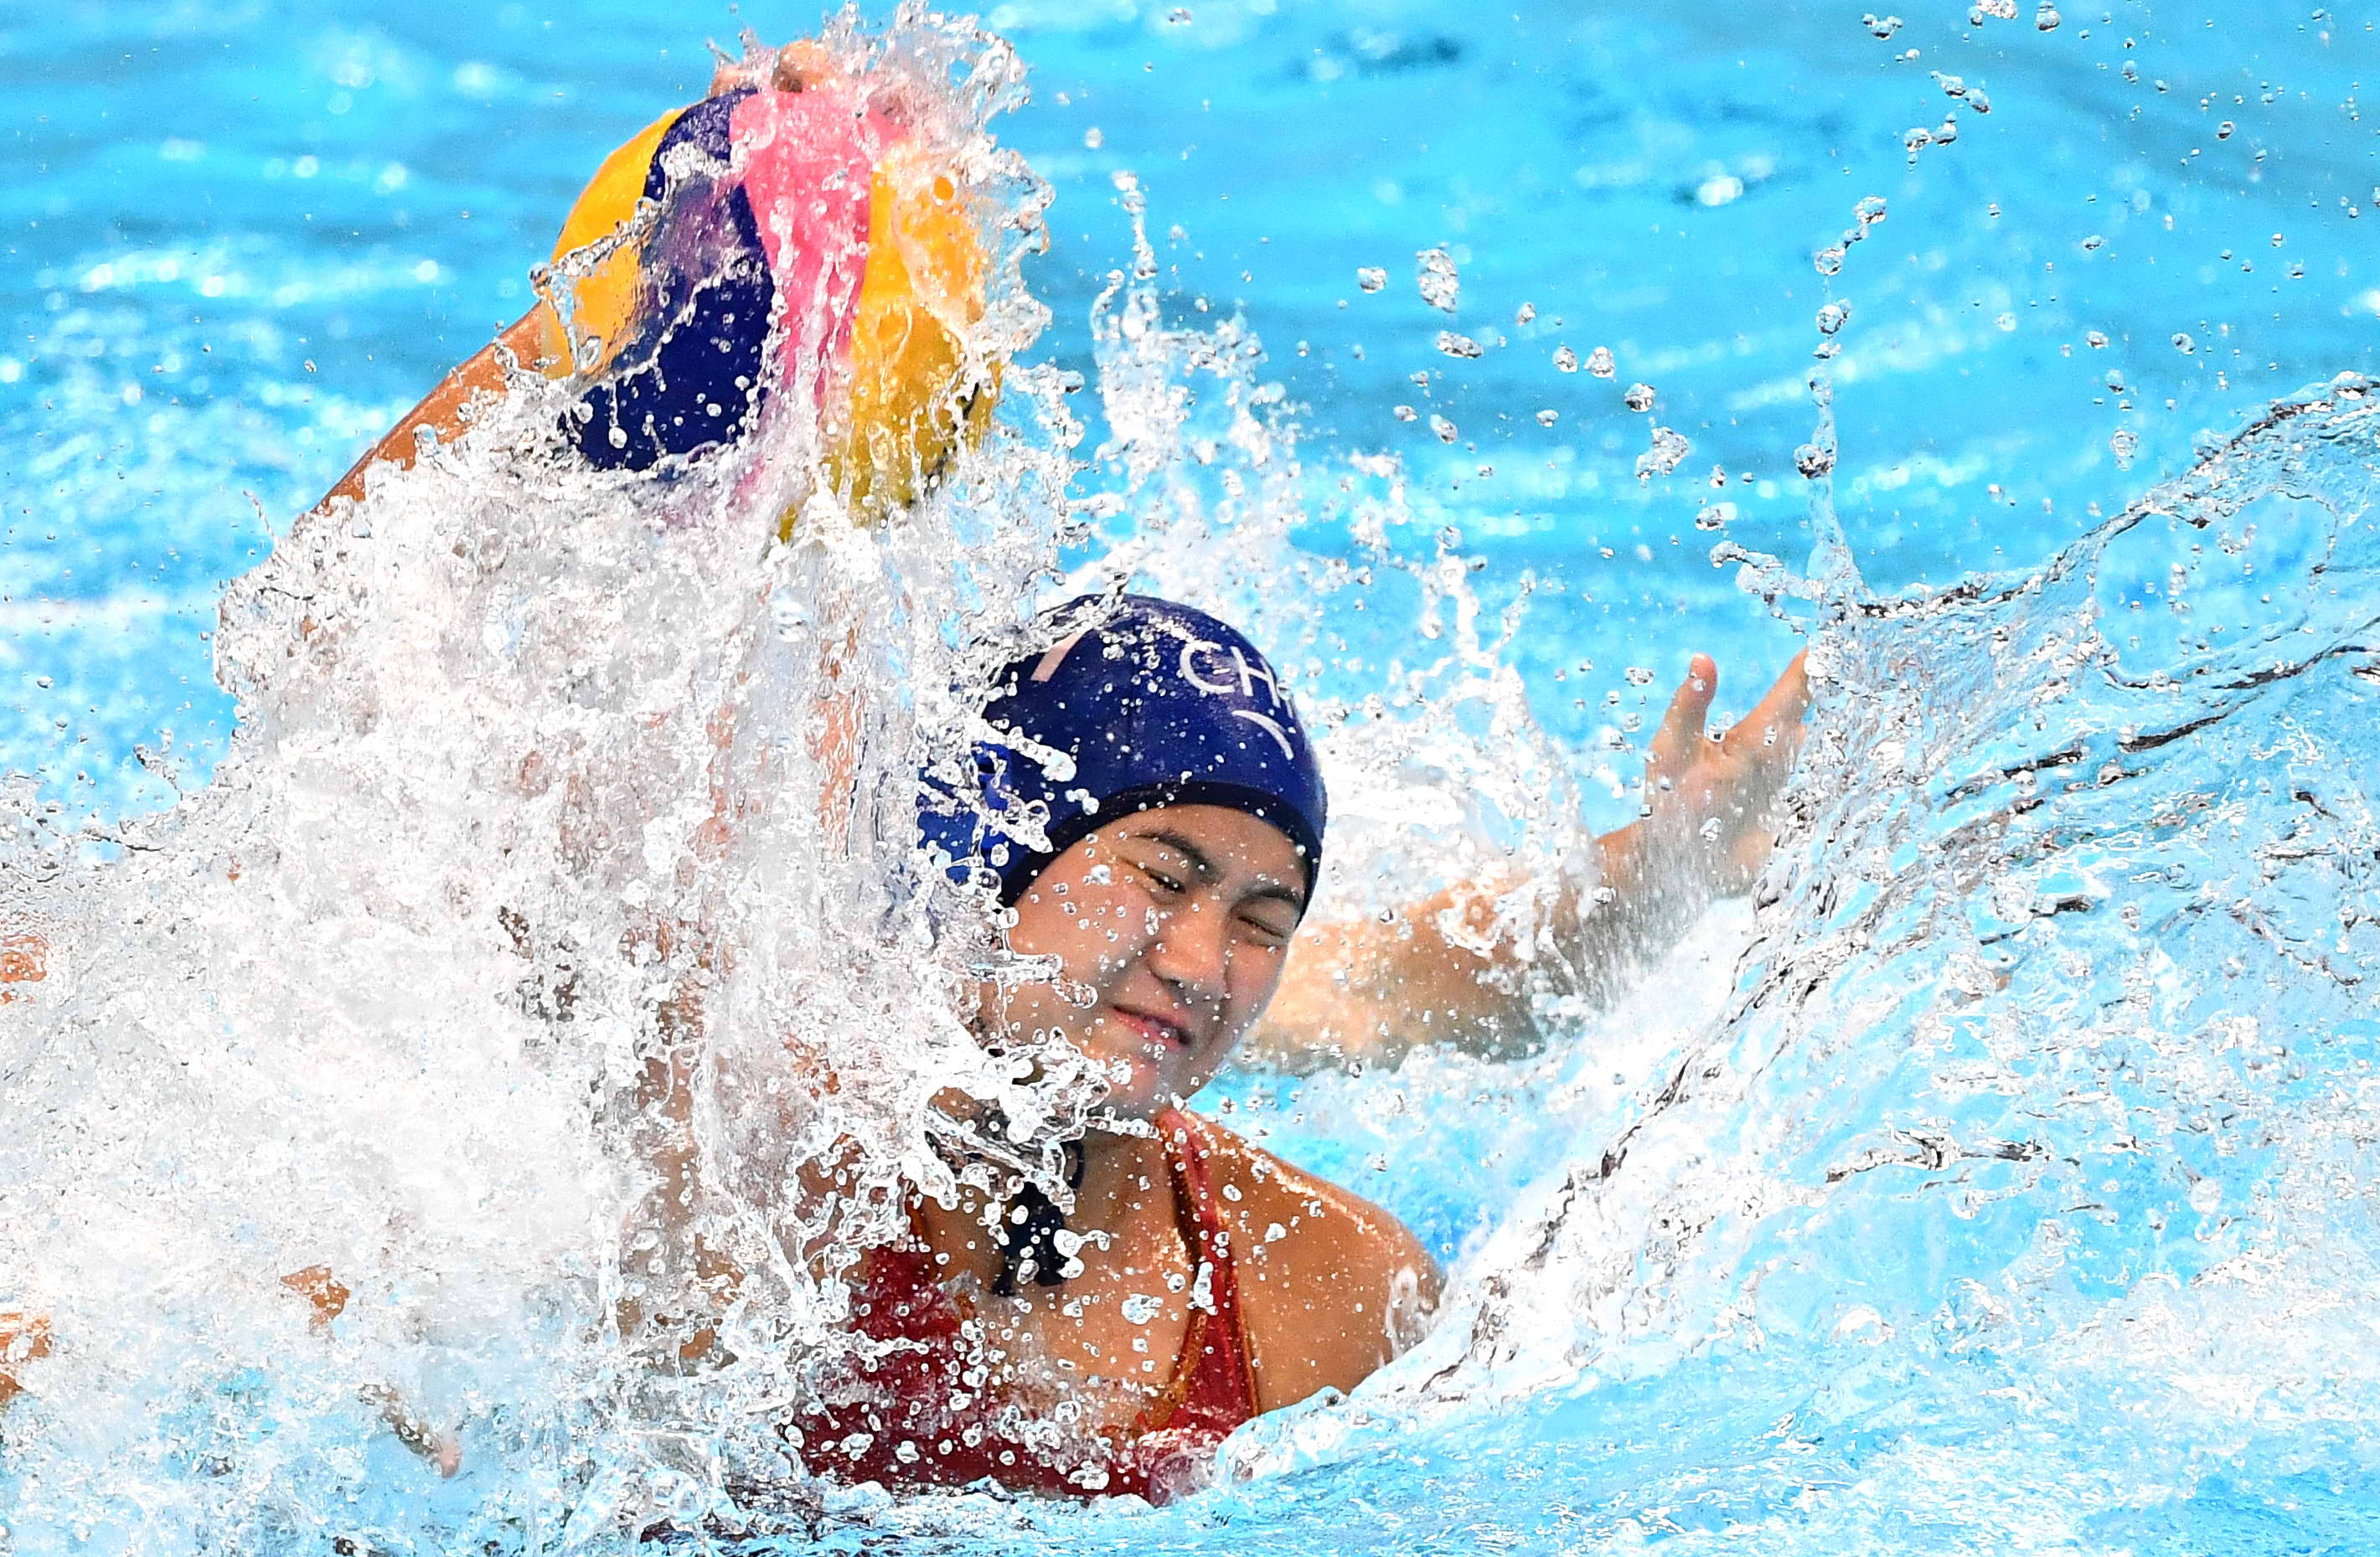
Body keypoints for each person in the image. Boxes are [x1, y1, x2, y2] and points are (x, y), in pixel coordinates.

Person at [0, 38, 1810, 1503]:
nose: (1203, 963)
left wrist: (1657, 876)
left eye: (1263, 910)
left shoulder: (1322, 1295)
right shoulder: (761, 1077)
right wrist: (573, 350)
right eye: (1161, 876)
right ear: (996, 858)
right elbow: (328, 679)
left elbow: (1439, 984)